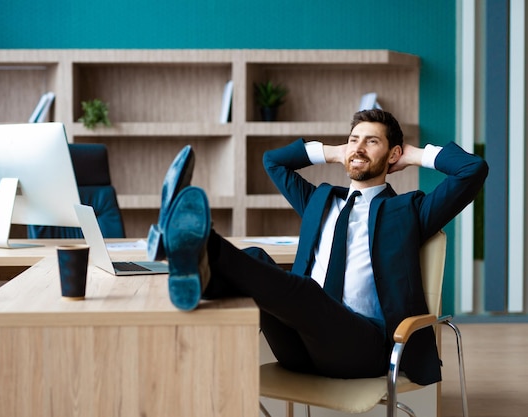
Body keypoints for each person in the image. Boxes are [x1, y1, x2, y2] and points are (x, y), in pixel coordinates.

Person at [148, 109, 488, 386]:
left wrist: (413, 155)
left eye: (372, 142)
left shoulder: (409, 212)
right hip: (299, 346)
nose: (358, 148)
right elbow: (273, 161)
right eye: (353, 140)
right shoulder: (319, 201)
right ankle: (194, 271)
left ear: (393, 154)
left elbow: (472, 170)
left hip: (363, 348)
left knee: (307, 292)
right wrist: (334, 152)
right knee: (255, 258)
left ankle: (192, 240)